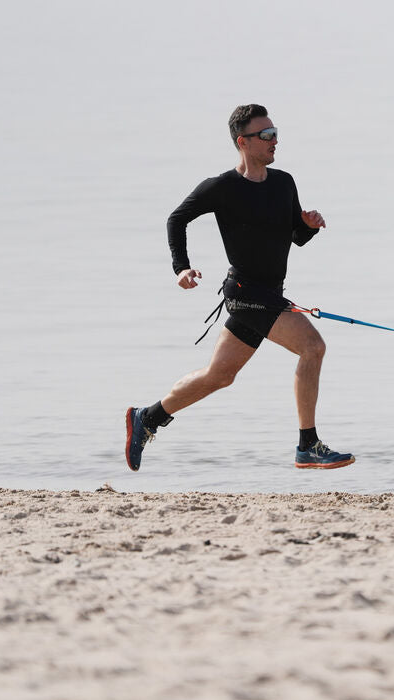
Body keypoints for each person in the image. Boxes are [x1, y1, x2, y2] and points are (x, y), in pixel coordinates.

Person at [125, 104, 354, 472]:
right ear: (242, 142)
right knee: (313, 347)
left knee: (220, 376)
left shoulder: (284, 183)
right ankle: (307, 445)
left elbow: (294, 237)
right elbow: (176, 219)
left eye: (275, 132)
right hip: (247, 294)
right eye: (265, 135)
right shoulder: (222, 188)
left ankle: (147, 417)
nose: (274, 141)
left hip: (269, 293)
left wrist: (309, 225)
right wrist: (181, 268)